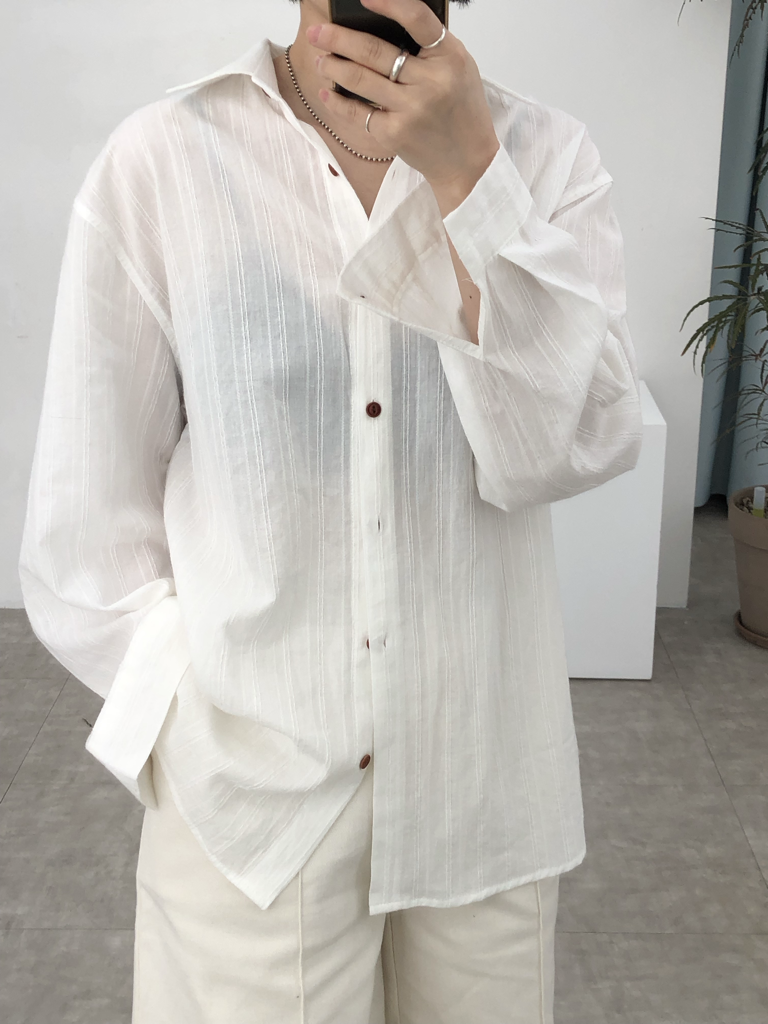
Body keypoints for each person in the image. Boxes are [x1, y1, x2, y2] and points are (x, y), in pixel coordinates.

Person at [18, 0, 644, 1020]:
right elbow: (85, 529)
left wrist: (472, 182)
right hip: (252, 803)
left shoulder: (544, 158)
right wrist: (190, 732)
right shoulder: (166, 159)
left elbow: (564, 448)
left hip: (482, 780)